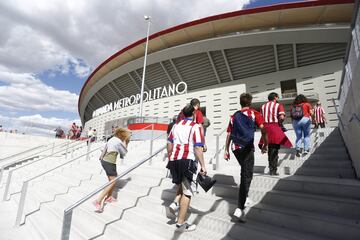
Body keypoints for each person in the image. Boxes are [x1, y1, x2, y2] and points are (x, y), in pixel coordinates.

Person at [224, 93, 268, 222]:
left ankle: (245, 196)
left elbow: (228, 134)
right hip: (247, 147)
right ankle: (239, 208)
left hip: (235, 148)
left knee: (245, 172)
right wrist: (265, 143)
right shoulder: (255, 113)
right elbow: (263, 129)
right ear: (250, 102)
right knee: (247, 175)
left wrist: (226, 150)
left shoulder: (234, 116)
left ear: (240, 103)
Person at [167, 104, 207, 232]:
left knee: (182, 187)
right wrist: (203, 165)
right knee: (187, 193)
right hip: (187, 160)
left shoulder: (175, 126)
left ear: (183, 114)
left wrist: (170, 157)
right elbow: (198, 147)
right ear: (194, 114)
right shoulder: (195, 126)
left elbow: (169, 144)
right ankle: (181, 223)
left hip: (174, 160)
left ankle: (176, 207)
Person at [93, 127, 131, 212]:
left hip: (105, 161)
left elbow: (105, 149)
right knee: (113, 181)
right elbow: (124, 153)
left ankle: (109, 197)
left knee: (113, 179)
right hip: (109, 161)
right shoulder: (118, 141)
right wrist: (126, 142)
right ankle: (98, 201)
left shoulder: (112, 139)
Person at [259, 92, 292, 175]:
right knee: (274, 150)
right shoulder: (278, 105)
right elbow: (281, 117)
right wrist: (279, 123)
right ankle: (273, 170)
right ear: (276, 97)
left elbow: (259, 119)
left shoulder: (263, 106)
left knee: (270, 149)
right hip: (274, 127)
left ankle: (271, 168)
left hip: (265, 128)